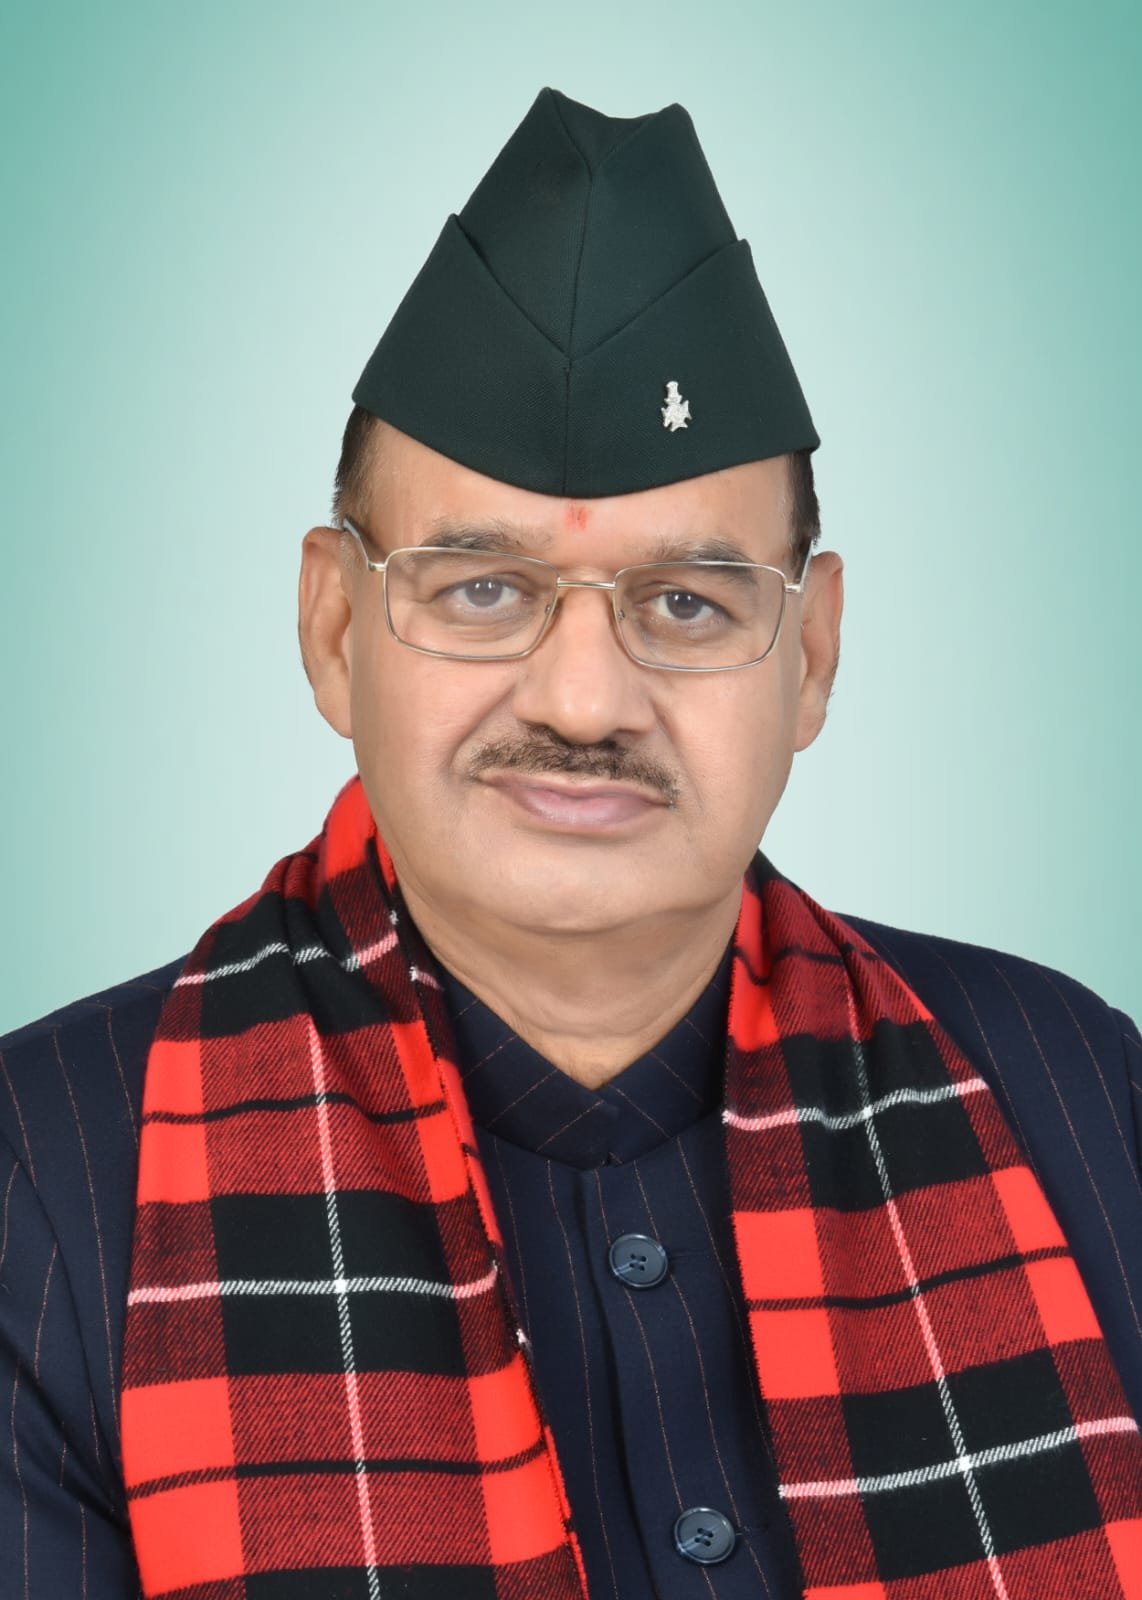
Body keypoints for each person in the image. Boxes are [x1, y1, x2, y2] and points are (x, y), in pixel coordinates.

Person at [1, 87, 1139, 1600]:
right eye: (482, 589)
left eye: (688, 602)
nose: (585, 700)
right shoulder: (45, 1182)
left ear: (809, 659)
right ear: (335, 630)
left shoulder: (1081, 1093)